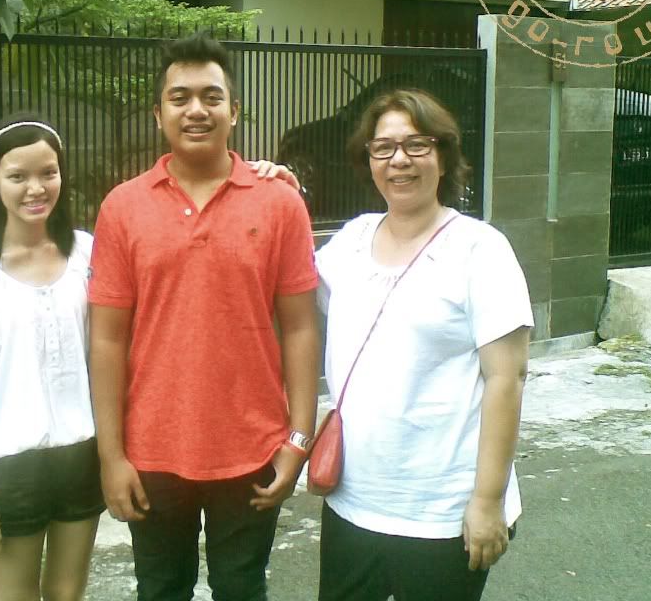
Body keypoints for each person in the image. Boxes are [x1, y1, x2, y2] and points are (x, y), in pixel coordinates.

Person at [87, 33, 321, 601]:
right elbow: (107, 340)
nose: (196, 110)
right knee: (160, 590)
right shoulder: (123, 207)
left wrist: (298, 438)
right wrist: (111, 456)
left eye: (211, 97)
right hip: (151, 452)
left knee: (242, 589)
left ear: (234, 111)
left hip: (253, 449)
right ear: (159, 113)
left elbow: (300, 326)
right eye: (180, 97)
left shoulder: (279, 202)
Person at [314, 89, 532, 601]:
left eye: (417, 144)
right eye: (383, 147)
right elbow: (285, 286)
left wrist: (487, 501)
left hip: (441, 514)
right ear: (368, 160)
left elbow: (507, 379)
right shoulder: (351, 240)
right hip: (353, 503)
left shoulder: (480, 249)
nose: (399, 160)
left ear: (444, 156)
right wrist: (269, 187)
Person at [0, 112, 102, 601]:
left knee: (67, 594)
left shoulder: (87, 254)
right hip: (11, 463)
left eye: (48, 173)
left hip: (80, 453)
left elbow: (103, 357)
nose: (36, 188)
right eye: (17, 176)